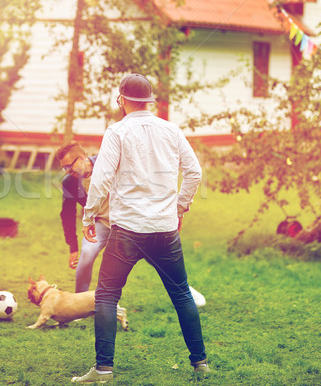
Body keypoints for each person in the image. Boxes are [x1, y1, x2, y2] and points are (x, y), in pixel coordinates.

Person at [71, 74, 209, 383]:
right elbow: (194, 173)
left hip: (128, 231)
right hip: (165, 230)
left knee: (106, 296)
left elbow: (102, 178)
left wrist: (88, 216)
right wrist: (179, 207)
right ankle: (201, 363)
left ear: (121, 99)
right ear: (149, 101)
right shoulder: (171, 129)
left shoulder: (117, 131)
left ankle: (104, 369)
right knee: (182, 294)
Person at [57, 142, 110, 293]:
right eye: (64, 168)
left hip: (125, 222)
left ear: (81, 158)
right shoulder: (70, 182)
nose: (67, 172)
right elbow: (67, 214)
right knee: (86, 253)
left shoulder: (106, 163)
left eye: (68, 166)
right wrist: (73, 247)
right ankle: (79, 302)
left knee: (155, 255)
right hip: (101, 224)